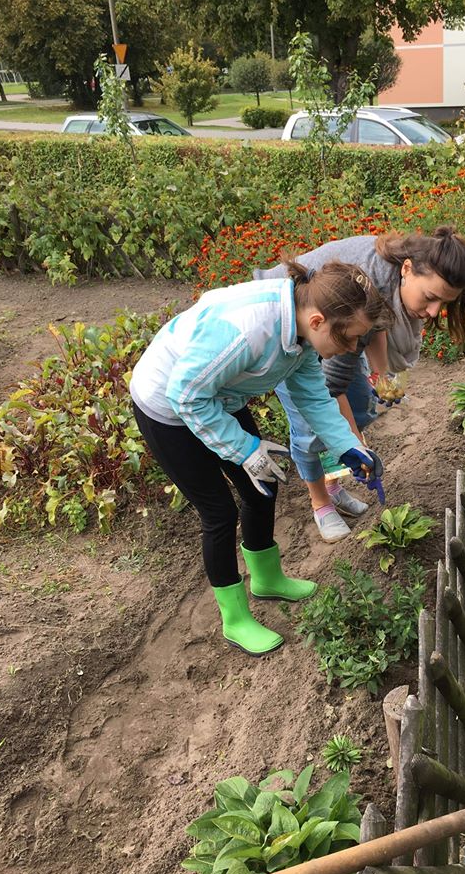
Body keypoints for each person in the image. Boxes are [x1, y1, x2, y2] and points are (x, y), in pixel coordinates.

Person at [130, 262, 393, 656]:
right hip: (168, 408)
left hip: (217, 397)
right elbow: (185, 396)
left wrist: (348, 446)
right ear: (319, 321)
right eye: (352, 338)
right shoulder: (247, 331)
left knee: (262, 485)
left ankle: (267, 580)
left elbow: (312, 398)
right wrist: (244, 450)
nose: (354, 348)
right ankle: (235, 620)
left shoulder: (301, 333)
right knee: (219, 512)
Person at [256, 226, 465, 542]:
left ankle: (333, 484)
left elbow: (377, 327)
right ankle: (320, 503)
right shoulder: (370, 289)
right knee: (310, 428)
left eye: (444, 303)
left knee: (360, 406)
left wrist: (383, 375)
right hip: (288, 328)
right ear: (407, 269)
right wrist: (356, 447)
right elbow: (332, 386)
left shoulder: (390, 283)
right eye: (430, 298)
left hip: (335, 329)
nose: (434, 312)